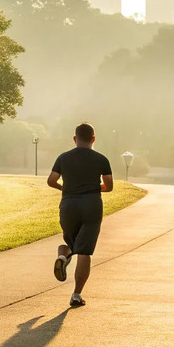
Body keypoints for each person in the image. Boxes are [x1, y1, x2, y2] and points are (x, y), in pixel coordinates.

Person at [47, 123, 113, 307]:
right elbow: (109, 186)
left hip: (68, 204)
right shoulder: (101, 159)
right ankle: (76, 294)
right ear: (93, 139)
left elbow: (51, 180)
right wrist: (93, 187)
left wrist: (65, 188)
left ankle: (62, 256)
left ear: (75, 139)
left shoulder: (63, 157)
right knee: (84, 251)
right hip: (91, 204)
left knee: (71, 243)